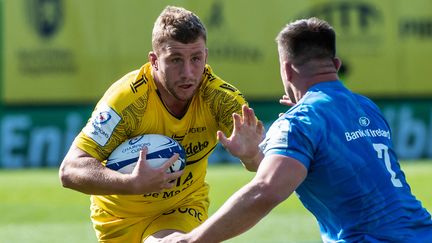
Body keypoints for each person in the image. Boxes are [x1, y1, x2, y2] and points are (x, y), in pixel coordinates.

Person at [161, 17, 432, 242]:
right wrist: (253, 155)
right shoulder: (366, 107)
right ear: (336, 65)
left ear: (287, 71)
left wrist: (191, 239)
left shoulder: (300, 121)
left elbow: (265, 190)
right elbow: (320, 163)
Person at [59, 5, 249, 243]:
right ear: (154, 60)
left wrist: (250, 155)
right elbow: (69, 170)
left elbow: (267, 167)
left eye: (196, 59)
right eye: (176, 60)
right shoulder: (126, 101)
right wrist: (132, 183)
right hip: (118, 218)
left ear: (206, 57)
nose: (188, 73)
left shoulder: (221, 100)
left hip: (183, 207)